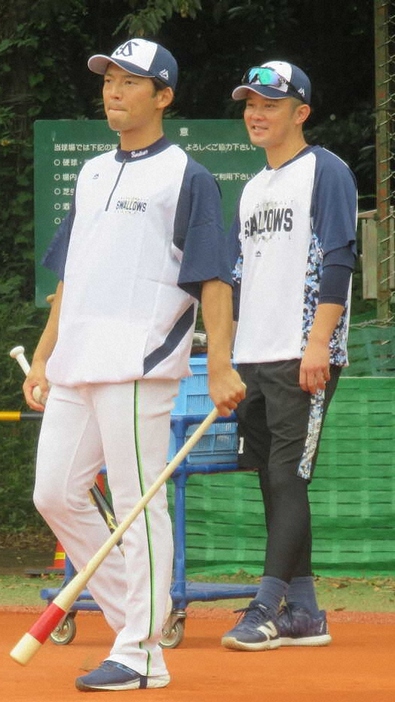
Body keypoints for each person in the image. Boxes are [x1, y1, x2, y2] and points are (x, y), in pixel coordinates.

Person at [24, 39, 244, 692]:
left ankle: (141, 650)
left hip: (138, 363)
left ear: (163, 96)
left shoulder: (187, 176)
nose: (113, 91)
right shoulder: (90, 174)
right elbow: (70, 276)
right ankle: (135, 621)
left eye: (130, 81)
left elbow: (213, 280)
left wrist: (223, 365)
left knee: (136, 506)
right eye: (108, 80)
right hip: (75, 364)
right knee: (53, 493)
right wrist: (42, 353)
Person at [220, 61, 358, 651]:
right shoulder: (252, 188)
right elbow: (233, 277)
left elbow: (338, 260)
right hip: (254, 355)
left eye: (270, 104)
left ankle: (265, 605)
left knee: (289, 475)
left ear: (300, 113)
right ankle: (304, 611)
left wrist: (318, 343)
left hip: (304, 355)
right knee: (272, 484)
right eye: (251, 103)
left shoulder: (326, 171)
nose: (257, 113)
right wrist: (223, 354)